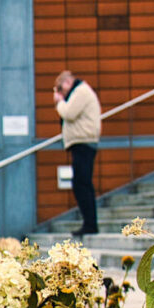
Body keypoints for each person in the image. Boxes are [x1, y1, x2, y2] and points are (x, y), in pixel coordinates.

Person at [53, 70, 101, 236]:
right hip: (81, 143)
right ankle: (89, 223)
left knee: (82, 183)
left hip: (84, 143)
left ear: (67, 83)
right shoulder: (81, 91)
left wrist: (59, 102)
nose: (61, 94)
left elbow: (69, 113)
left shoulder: (80, 91)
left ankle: (90, 224)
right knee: (81, 183)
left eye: (61, 90)